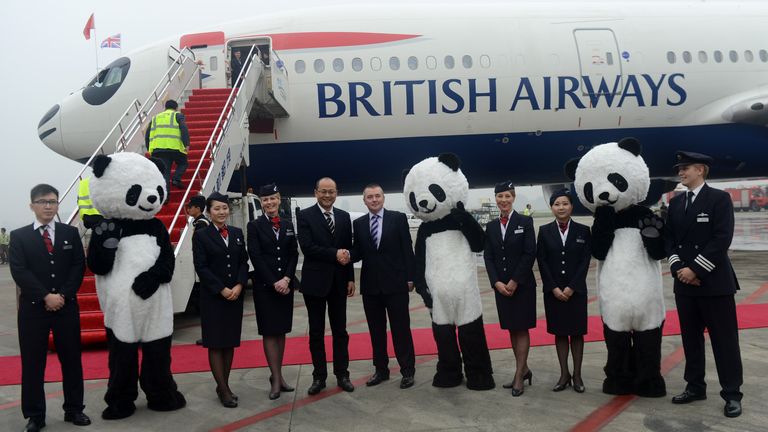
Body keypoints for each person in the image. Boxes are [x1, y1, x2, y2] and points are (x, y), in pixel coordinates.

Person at [665, 151, 744, 418]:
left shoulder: (719, 199)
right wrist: (679, 269)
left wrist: (695, 269)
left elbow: (722, 239)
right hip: (685, 285)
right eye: (679, 168)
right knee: (691, 340)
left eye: (685, 168)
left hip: (714, 283)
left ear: (701, 170)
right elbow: (670, 240)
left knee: (725, 341)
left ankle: (732, 393)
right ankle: (695, 386)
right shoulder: (675, 203)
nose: (680, 172)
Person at [9, 184, 91, 431]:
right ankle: (35, 416)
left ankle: (74, 409)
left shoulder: (70, 233)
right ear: (32, 205)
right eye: (43, 201)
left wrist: (62, 295)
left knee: (72, 361)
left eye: (52, 202)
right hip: (33, 310)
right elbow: (19, 271)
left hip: (66, 307)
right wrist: (45, 296)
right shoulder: (19, 236)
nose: (48, 206)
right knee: (33, 364)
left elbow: (78, 266)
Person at [349, 184, 417, 389]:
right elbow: (358, 252)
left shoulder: (398, 218)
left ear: (383, 198)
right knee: (376, 331)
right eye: (369, 197)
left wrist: (411, 277)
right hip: (371, 287)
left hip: (396, 285)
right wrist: (345, 255)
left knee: (401, 330)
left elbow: (407, 249)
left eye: (377, 196)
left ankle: (407, 371)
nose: (374, 200)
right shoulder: (360, 224)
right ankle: (381, 370)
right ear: (364, 200)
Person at [297, 177, 356, 395]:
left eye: (331, 191)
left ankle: (342, 374)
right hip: (315, 284)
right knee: (316, 333)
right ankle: (319, 377)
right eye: (323, 191)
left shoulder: (344, 216)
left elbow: (347, 249)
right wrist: (335, 254)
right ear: (316, 193)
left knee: (341, 331)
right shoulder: (304, 216)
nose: (327, 195)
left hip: (340, 283)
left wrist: (351, 278)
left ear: (337, 193)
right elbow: (307, 247)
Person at [192, 192, 249, 408]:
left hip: (235, 295)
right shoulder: (201, 235)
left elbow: (243, 262)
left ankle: (223, 384)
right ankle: (224, 390)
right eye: (217, 208)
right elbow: (201, 266)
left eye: (224, 208)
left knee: (229, 343)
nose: (222, 212)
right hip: (213, 298)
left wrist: (239, 285)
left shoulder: (236, 233)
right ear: (209, 212)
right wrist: (221, 289)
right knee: (216, 344)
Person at [483, 181, 536, 396]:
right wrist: (496, 282)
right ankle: (523, 370)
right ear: (496, 199)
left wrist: (515, 281)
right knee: (512, 329)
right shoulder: (492, 226)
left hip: (521, 286)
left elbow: (529, 253)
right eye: (499, 196)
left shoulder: (525, 221)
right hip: (501, 287)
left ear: (513, 197)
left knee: (521, 328)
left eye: (507, 196)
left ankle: (518, 376)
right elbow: (489, 256)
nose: (503, 200)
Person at [247, 183, 299, 400]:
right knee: (269, 332)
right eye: (265, 199)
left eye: (273, 198)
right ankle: (276, 378)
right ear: (261, 202)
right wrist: (274, 281)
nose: (269, 202)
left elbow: (293, 253)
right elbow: (256, 257)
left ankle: (278, 375)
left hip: (285, 286)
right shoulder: (254, 226)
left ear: (279, 199)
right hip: (266, 288)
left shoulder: (287, 224)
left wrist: (286, 278)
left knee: (281, 331)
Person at [536, 189, 592, 393]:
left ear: (571, 206)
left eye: (565, 203)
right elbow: (541, 261)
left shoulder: (583, 231)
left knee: (577, 334)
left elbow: (585, 261)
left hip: (576, 292)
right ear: (551, 208)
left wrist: (570, 287)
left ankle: (577, 375)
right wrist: (553, 288)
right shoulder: (544, 231)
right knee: (559, 334)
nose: (561, 207)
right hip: (553, 293)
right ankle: (564, 374)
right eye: (557, 204)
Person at [145, 99, 190, 191]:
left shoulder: (155, 118)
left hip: (158, 150)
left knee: (165, 173)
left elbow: (147, 134)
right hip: (175, 148)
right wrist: (186, 144)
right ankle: (176, 179)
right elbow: (183, 128)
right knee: (183, 163)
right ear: (176, 108)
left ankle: (166, 197)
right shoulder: (177, 115)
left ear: (165, 108)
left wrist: (149, 148)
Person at [186, 195, 209, 345]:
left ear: (198, 209)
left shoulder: (201, 224)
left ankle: (208, 335)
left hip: (205, 270)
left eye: (191, 207)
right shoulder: (201, 222)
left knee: (205, 307)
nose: (188, 209)